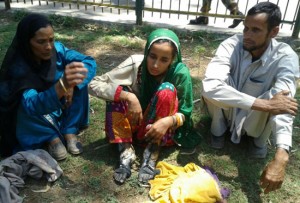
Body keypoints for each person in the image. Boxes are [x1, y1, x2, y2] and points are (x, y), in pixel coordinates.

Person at [201, 2, 299, 194]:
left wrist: (282, 154)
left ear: (274, 32)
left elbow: (284, 106)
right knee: (217, 85)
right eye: (246, 28)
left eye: (255, 30)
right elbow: (210, 86)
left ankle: (258, 142)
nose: (247, 34)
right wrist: (263, 104)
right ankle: (218, 131)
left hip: (255, 121)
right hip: (227, 113)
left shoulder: (285, 57)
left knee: (278, 98)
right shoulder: (231, 45)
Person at [88, 28, 200, 186]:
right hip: (133, 126)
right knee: (119, 92)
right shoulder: (136, 64)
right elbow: (93, 84)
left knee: (167, 90)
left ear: (172, 59)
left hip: (161, 132)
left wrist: (168, 121)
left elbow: (185, 113)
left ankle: (150, 156)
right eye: (152, 56)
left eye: (164, 60)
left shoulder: (180, 73)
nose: (155, 65)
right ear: (147, 52)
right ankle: (126, 154)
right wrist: (129, 96)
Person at [0, 13, 97, 161]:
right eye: (41, 42)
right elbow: (32, 106)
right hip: (36, 117)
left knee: (79, 79)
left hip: (60, 106)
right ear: (27, 42)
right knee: (23, 106)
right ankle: (50, 138)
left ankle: (70, 130)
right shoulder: (18, 69)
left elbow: (89, 62)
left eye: (51, 40)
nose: (48, 47)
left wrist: (70, 85)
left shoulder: (58, 51)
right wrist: (61, 86)